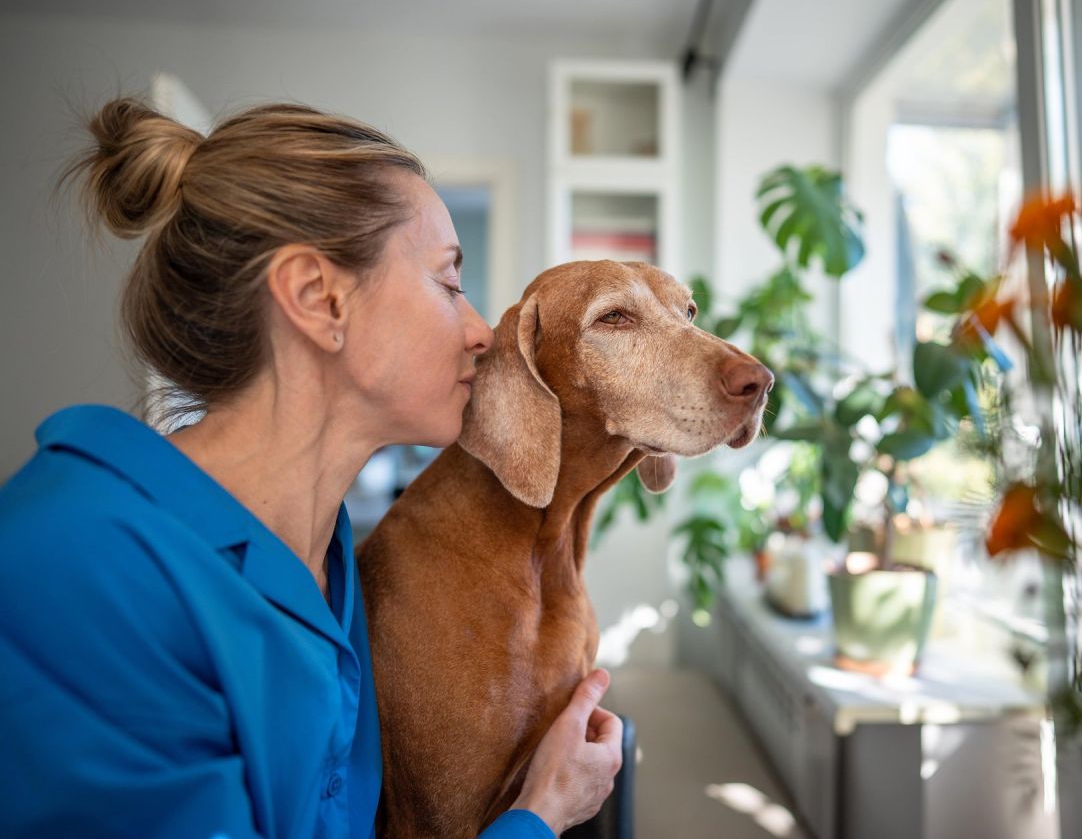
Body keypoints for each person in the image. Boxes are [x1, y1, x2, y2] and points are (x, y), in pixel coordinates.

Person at [0, 98, 622, 837]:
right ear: (317, 299)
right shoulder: (75, 567)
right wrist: (538, 818)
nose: (481, 330)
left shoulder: (327, 564)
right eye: (448, 282)